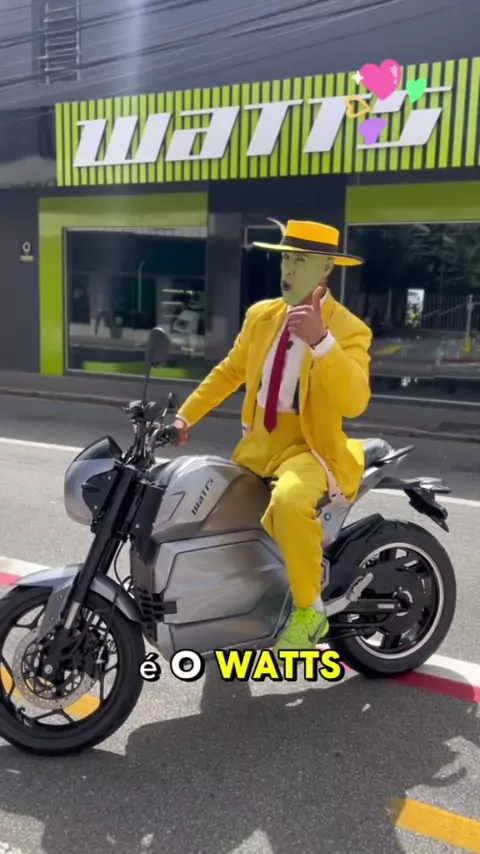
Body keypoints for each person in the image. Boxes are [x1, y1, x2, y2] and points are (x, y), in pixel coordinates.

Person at [172, 220, 372, 660]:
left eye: (301, 260)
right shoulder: (261, 316)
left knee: (288, 502)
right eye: (285, 258)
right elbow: (230, 372)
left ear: (326, 269)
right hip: (259, 445)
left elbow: (355, 400)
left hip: (309, 448)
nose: (289, 268)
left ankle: (310, 610)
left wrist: (321, 342)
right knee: (206, 502)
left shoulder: (348, 328)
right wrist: (185, 416)